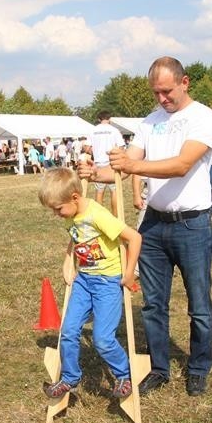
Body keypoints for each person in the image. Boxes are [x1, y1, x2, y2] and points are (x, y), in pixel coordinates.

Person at [78, 56, 212, 397]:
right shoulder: (149, 122)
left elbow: (182, 165)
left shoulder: (202, 117)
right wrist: (96, 173)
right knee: (154, 304)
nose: (161, 99)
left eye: (167, 91)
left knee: (199, 305)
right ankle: (159, 368)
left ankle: (199, 367)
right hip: (153, 225)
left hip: (192, 224)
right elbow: (126, 168)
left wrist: (133, 163)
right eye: (156, 92)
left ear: (185, 82)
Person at [37, 168, 141, 399]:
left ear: (75, 198)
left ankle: (124, 374)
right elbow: (75, 237)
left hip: (107, 282)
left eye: (58, 209)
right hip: (84, 280)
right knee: (68, 330)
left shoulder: (97, 214)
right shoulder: (72, 215)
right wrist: (68, 261)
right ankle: (69, 378)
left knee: (102, 339)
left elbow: (134, 238)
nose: (56, 214)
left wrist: (130, 272)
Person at [88, 110, 125, 216]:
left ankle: (99, 216)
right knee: (114, 191)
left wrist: (94, 152)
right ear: (109, 119)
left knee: (99, 191)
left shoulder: (93, 130)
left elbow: (86, 147)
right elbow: (121, 146)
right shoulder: (114, 130)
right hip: (111, 163)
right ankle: (115, 215)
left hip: (98, 162)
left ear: (99, 119)